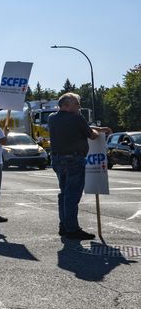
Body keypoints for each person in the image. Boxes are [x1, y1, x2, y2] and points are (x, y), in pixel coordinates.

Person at [49, 92, 111, 240]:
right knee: (72, 195)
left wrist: (97, 128)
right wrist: (98, 131)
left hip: (58, 160)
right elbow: (92, 135)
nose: (79, 107)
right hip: (74, 160)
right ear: (66, 105)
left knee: (64, 194)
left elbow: (80, 127)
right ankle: (72, 229)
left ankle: (64, 226)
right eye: (77, 104)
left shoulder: (52, 118)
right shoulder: (77, 118)